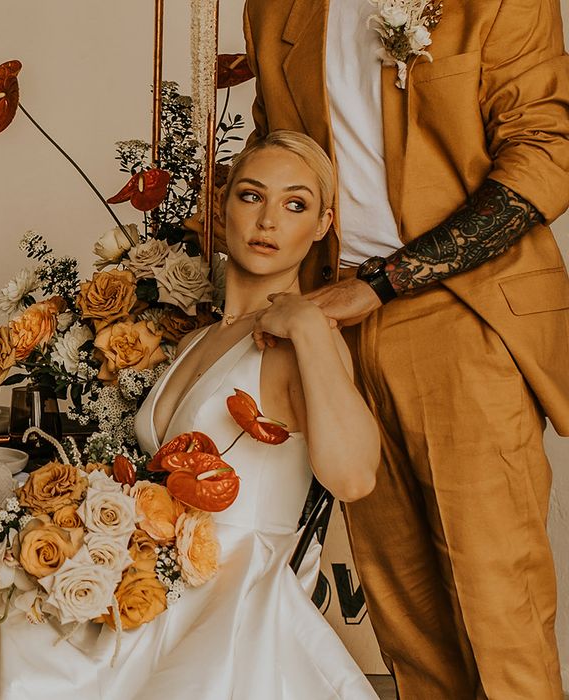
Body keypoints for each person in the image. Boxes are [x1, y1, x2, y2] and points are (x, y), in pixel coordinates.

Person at [0, 130, 382, 700]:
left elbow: (354, 478)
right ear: (222, 202)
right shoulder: (201, 337)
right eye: (252, 196)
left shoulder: (303, 340)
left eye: (296, 204)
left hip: (217, 595)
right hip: (146, 568)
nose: (269, 221)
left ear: (323, 224)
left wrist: (306, 321)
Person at [244, 1, 569, 698]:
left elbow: (547, 149)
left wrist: (388, 281)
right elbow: (278, 155)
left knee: (496, 599)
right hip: (332, 322)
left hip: (462, 310)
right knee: (403, 611)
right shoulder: (274, 9)